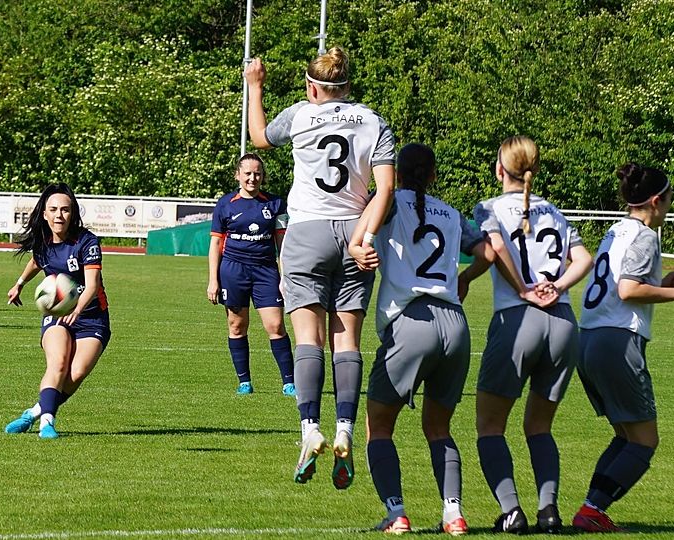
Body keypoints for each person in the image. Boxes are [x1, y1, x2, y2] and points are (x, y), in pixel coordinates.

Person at [245, 46, 395, 490]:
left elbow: (258, 137)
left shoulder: (299, 115)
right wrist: (363, 236)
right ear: (348, 87)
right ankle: (346, 428)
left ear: (313, 87)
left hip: (307, 231)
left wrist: (255, 87)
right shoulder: (374, 121)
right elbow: (385, 188)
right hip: (354, 232)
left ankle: (311, 429)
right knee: (346, 339)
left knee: (307, 338)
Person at [347, 143, 498, 534]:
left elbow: (360, 237)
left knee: (378, 426)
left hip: (411, 320)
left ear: (395, 172)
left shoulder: (389, 202)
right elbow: (488, 252)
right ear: (433, 175)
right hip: (455, 324)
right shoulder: (449, 213)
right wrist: (465, 278)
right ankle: (454, 514)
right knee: (439, 428)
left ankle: (396, 513)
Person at [473, 135, 593, 533]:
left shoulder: (489, 208)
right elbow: (584, 259)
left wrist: (523, 288)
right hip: (562, 323)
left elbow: (495, 248)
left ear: (499, 169)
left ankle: (511, 511)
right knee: (540, 426)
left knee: (491, 426)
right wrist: (557, 287)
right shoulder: (555, 211)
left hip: (518, 319)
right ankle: (549, 511)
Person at [572, 164, 674, 533]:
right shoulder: (645, 235)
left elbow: (623, 285)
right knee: (645, 442)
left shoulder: (617, 229)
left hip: (589, 338)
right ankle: (591, 509)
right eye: (668, 197)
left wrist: (665, 283)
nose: (669, 204)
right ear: (654, 200)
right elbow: (628, 290)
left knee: (625, 436)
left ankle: (592, 509)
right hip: (617, 341)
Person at [4, 182, 111, 439]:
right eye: (53, 209)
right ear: (45, 214)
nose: (59, 215)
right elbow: (36, 261)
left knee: (75, 375)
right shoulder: (43, 243)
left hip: (92, 316)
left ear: (72, 213)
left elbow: (92, 284)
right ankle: (47, 423)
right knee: (59, 362)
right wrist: (19, 284)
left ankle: (34, 413)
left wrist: (78, 309)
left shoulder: (87, 241)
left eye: (65, 209)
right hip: (56, 314)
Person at [207, 153, 295, 396]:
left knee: (275, 325)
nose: (252, 178)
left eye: (257, 173)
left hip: (266, 271)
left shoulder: (275, 204)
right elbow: (215, 245)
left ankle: (289, 383)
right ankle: (244, 381)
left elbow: (282, 245)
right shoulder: (225, 204)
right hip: (233, 271)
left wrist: (285, 278)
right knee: (236, 325)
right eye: (247, 173)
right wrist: (213, 280)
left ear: (263, 176)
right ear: (238, 175)